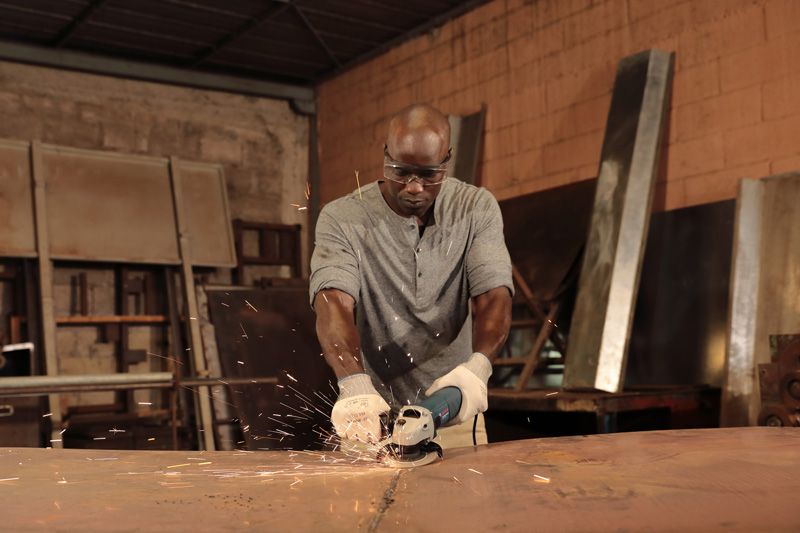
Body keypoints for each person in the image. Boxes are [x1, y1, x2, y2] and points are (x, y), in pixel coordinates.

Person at [309, 103, 513, 448]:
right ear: (384, 156)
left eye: (429, 174)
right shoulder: (342, 218)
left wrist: (477, 369)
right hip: (371, 414)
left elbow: (495, 297)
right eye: (400, 172)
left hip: (453, 414)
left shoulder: (476, 209)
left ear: (447, 160)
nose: (414, 187)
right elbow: (333, 303)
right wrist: (353, 385)